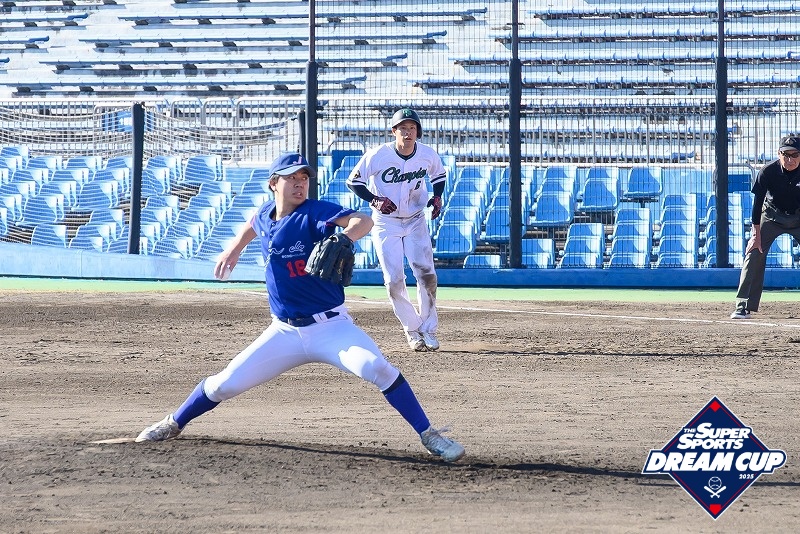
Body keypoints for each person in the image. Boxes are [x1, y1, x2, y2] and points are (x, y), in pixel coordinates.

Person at [135, 153, 465, 463]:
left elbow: (362, 219)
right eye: (291, 177)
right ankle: (173, 423)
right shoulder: (266, 214)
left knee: (377, 368)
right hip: (284, 332)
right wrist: (233, 249)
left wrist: (345, 237)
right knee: (223, 384)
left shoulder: (315, 212)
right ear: (273, 184)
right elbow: (253, 223)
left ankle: (429, 434)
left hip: (332, 328)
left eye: (304, 178)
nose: (299, 183)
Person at [346, 108, 447, 352]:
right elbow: (354, 181)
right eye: (403, 128)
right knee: (393, 279)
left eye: (412, 128)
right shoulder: (378, 155)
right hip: (385, 222)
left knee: (427, 275)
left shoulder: (427, 154)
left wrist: (437, 197)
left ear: (417, 132)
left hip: (415, 220)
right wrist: (374, 199)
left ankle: (429, 329)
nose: (408, 132)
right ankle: (412, 329)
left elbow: (439, 175)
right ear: (394, 131)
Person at [731, 135, 800, 319]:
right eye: (786, 154)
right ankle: (743, 305)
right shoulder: (767, 171)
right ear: (779, 154)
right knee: (754, 253)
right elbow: (757, 203)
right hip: (772, 216)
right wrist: (755, 235)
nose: (790, 159)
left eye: (795, 155)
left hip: (798, 216)